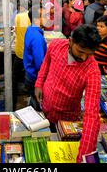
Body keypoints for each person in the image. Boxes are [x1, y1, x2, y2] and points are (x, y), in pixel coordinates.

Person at [35, 25, 102, 163]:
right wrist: (39, 83)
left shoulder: (92, 71)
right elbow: (45, 64)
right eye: (81, 51)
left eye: (89, 54)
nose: (84, 57)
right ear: (70, 41)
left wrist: (84, 157)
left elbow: (92, 114)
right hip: (44, 108)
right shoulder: (56, 46)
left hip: (66, 120)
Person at [23, 5, 47, 110]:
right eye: (45, 16)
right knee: (38, 104)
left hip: (30, 74)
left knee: (34, 99)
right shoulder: (37, 37)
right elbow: (40, 64)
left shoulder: (30, 30)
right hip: (35, 77)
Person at [13, 1, 31, 106]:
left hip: (19, 50)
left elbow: (16, 30)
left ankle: (13, 98)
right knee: (28, 75)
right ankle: (27, 97)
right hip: (29, 52)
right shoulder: (31, 17)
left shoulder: (18, 17)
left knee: (15, 76)